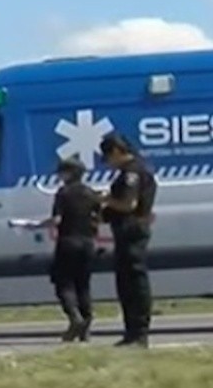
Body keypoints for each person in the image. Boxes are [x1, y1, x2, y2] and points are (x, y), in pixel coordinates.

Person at [29, 156, 102, 342]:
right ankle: (86, 325)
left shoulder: (64, 193)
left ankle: (74, 317)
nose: (59, 176)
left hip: (68, 242)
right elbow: (98, 217)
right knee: (83, 284)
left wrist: (35, 225)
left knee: (64, 283)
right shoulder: (91, 193)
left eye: (62, 172)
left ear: (69, 173)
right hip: (88, 243)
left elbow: (57, 220)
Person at [99, 133, 158, 348]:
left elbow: (128, 204)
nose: (108, 164)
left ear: (116, 151)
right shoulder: (134, 170)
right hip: (127, 231)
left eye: (108, 158)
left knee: (134, 282)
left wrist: (104, 200)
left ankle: (139, 333)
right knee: (125, 284)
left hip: (132, 231)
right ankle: (131, 333)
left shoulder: (132, 172)